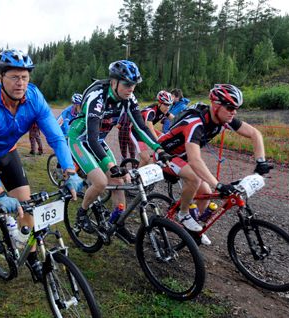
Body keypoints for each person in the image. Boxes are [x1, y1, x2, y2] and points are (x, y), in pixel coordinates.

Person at [0, 49, 83, 280]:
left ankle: (32, 259)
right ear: (1, 78)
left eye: (25, 77)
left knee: (26, 205)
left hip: (8, 151)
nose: (20, 83)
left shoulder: (34, 98)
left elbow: (56, 137)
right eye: (14, 77)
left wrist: (69, 170)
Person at [67, 60, 169, 243]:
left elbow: (141, 127)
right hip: (80, 139)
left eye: (134, 85)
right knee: (100, 182)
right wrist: (111, 165)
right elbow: (90, 137)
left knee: (119, 180)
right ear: (113, 82)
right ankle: (81, 214)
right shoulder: (97, 97)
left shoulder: (129, 99)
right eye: (127, 84)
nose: (131, 89)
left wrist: (159, 149)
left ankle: (118, 222)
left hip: (97, 140)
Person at [158, 84, 273, 245]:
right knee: (194, 179)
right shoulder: (195, 123)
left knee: (205, 193)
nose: (234, 112)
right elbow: (195, 160)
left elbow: (255, 133)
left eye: (236, 108)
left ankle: (192, 227)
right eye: (230, 107)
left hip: (183, 156)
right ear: (216, 105)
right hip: (164, 154)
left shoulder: (224, 119)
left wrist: (261, 161)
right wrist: (219, 185)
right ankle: (183, 214)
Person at [131, 90, 174, 167]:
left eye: (169, 105)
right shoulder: (151, 112)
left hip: (146, 130)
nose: (168, 107)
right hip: (136, 132)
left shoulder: (163, 109)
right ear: (159, 103)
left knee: (166, 139)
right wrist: (158, 143)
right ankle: (137, 177)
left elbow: (175, 119)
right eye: (166, 105)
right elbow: (150, 128)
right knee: (146, 158)